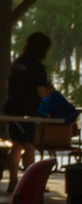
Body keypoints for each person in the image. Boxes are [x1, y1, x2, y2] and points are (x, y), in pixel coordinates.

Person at [5, 31, 54, 175]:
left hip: (11, 109)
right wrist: (50, 89)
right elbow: (41, 92)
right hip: (27, 112)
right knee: (29, 146)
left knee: (16, 145)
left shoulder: (18, 63)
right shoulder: (38, 67)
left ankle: (13, 181)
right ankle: (29, 181)